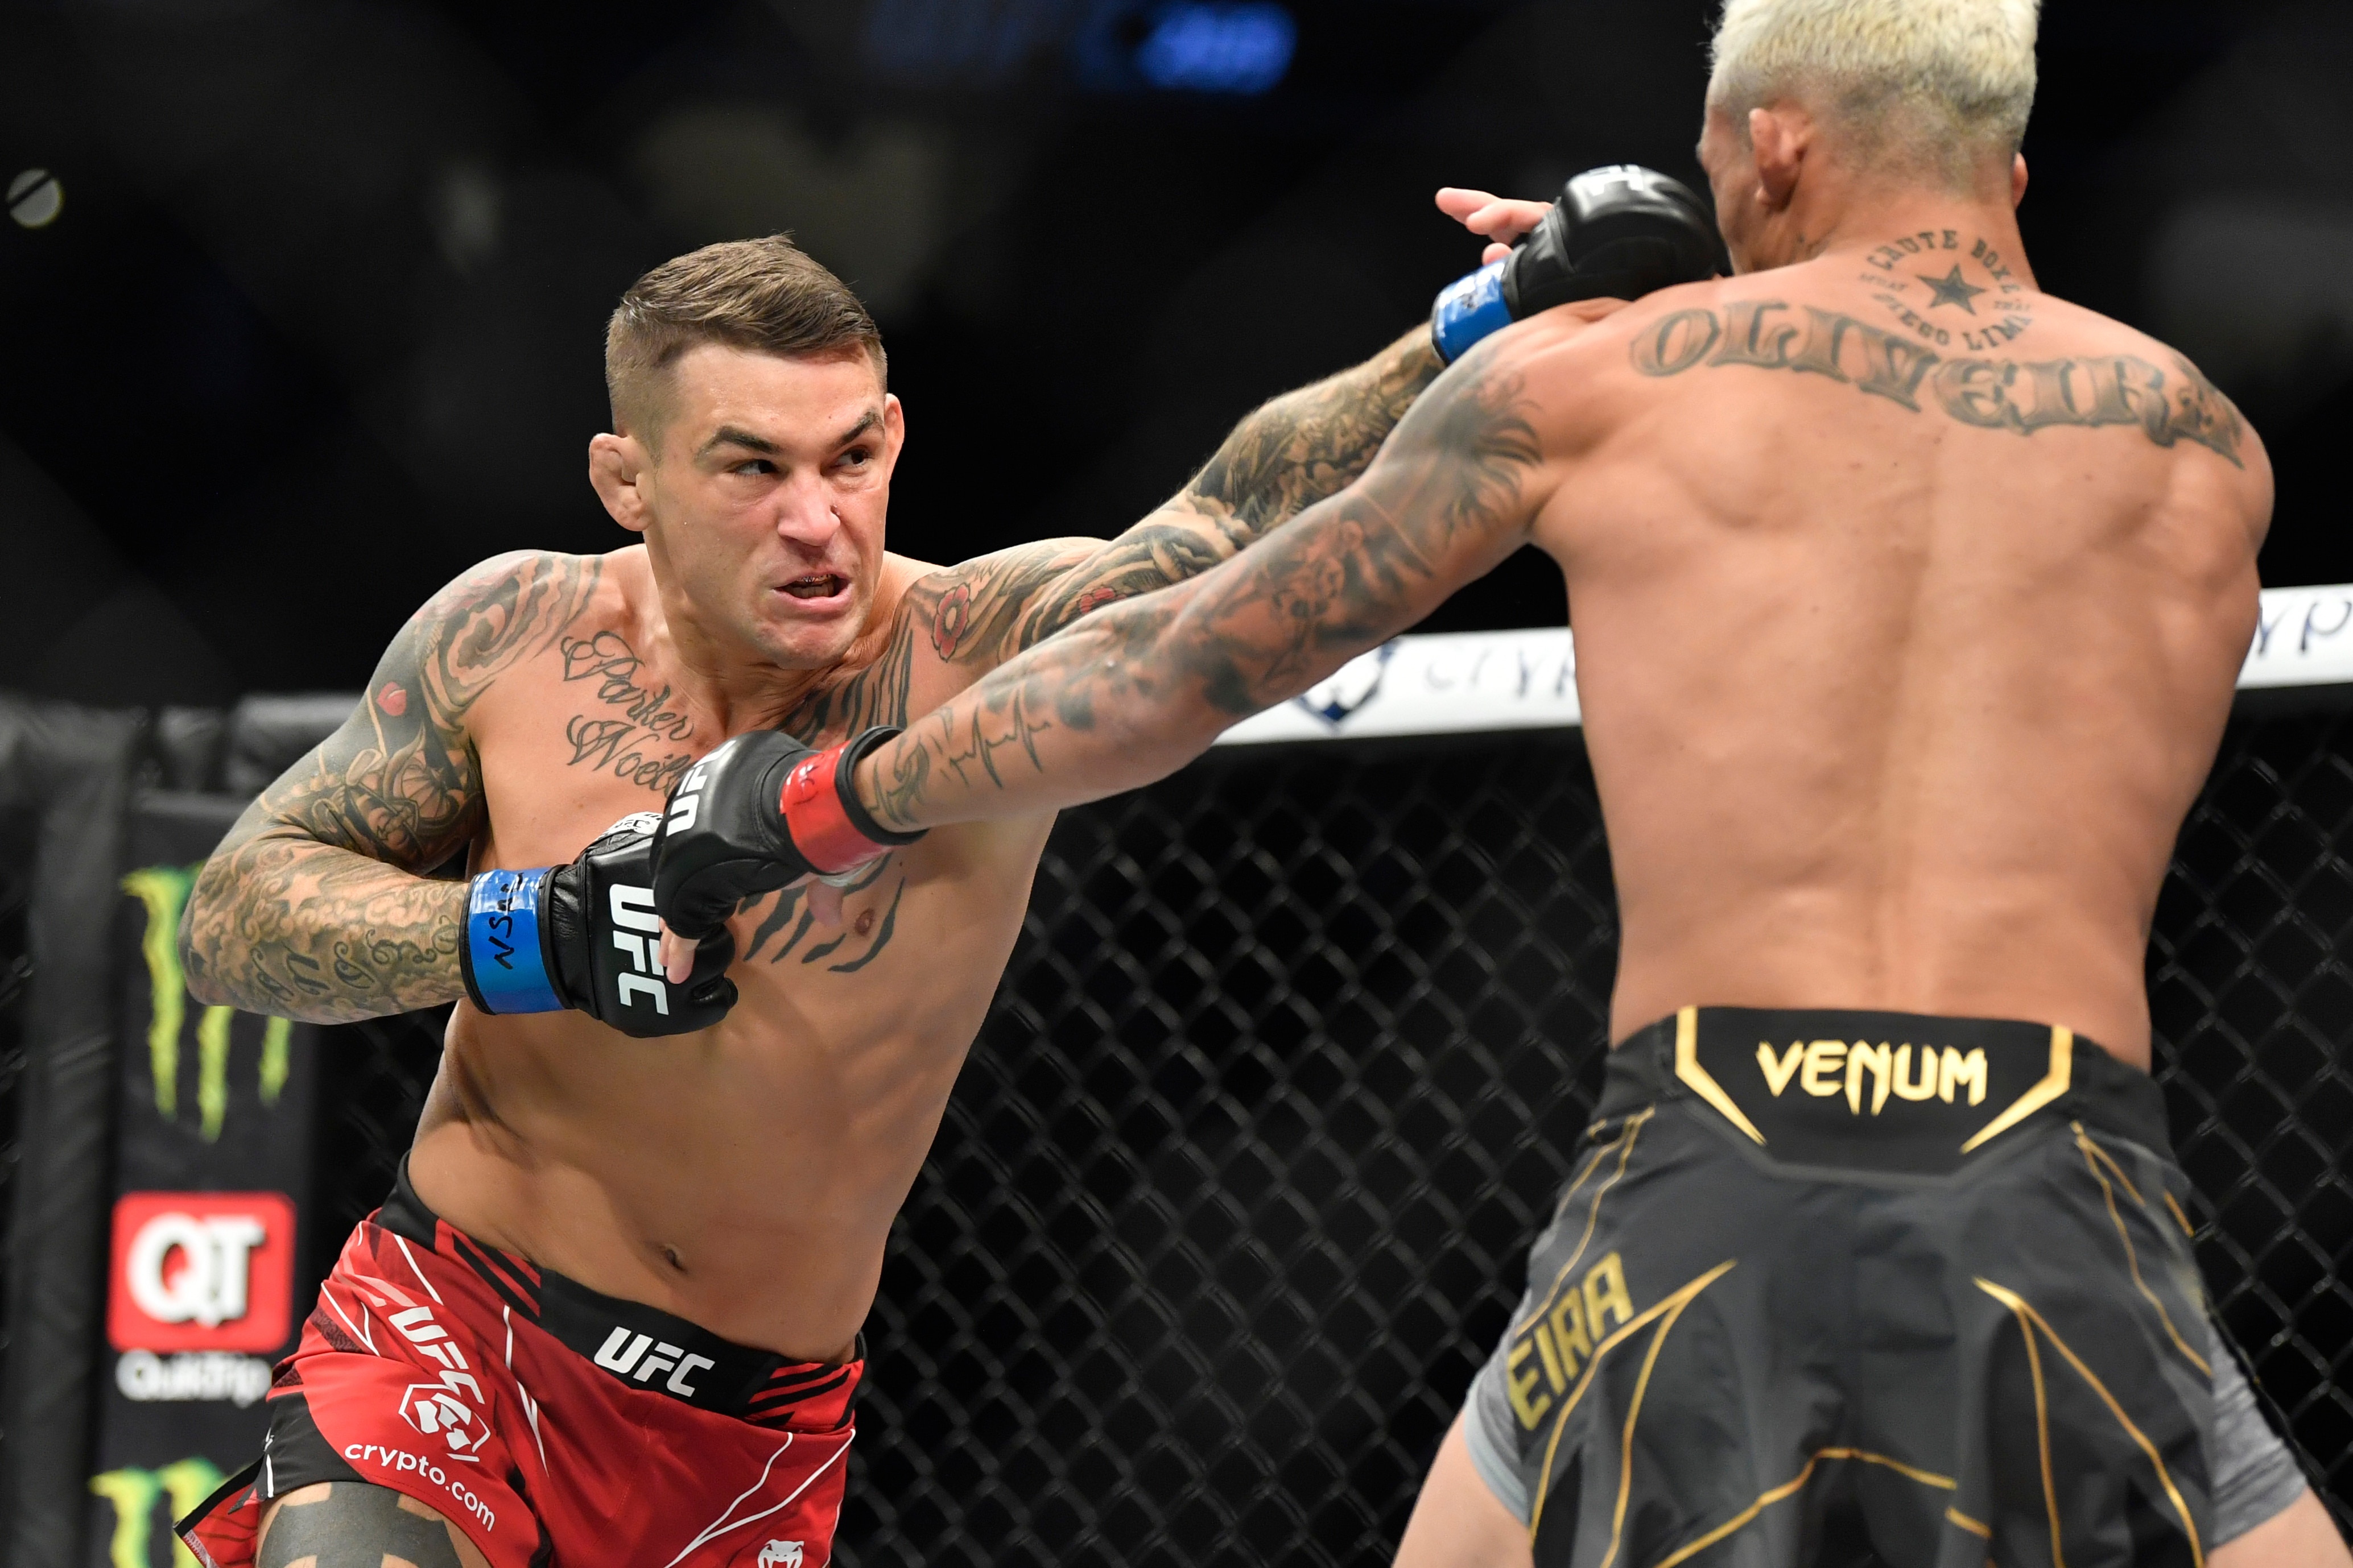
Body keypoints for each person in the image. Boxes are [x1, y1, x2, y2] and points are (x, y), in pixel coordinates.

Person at [654, 2, 2352, 1564]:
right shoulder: (2197, 444)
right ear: (2015, 165)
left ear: (1769, 145)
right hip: (2054, 1170)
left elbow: (1175, 666)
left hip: (1713, 1156)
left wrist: (822, 799)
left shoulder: (1599, 392)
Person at [168, 231, 1469, 1568]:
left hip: (746, 1438)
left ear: (894, 436)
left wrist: (1473, 326)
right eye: (751, 467)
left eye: (850, 458)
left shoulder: (976, 647)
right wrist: (533, 929)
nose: (817, 519)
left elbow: (1230, 527)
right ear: (629, 478)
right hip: (451, 1318)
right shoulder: (513, 634)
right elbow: (231, 924)